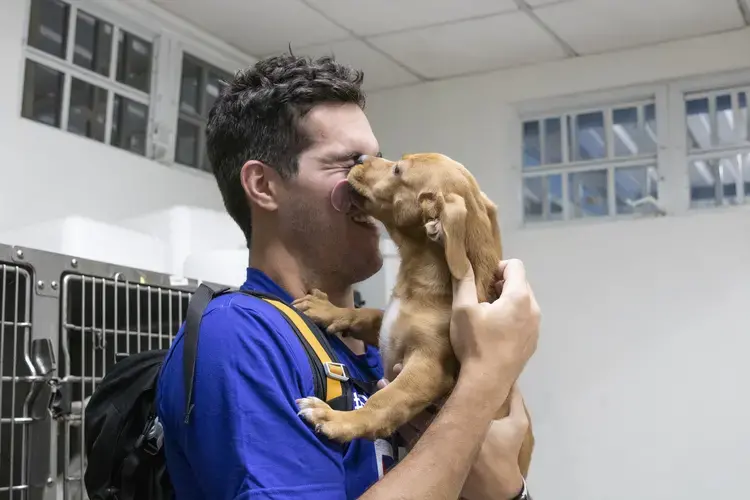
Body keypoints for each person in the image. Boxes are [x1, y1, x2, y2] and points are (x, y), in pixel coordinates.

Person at [155, 53, 540, 500]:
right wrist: (484, 381)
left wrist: (508, 491)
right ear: (263, 186)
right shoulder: (241, 336)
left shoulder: (378, 345)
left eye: (379, 159)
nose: (371, 174)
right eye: (349, 161)